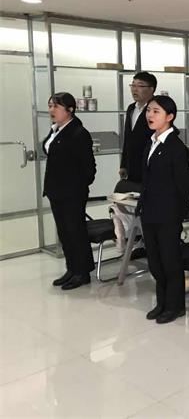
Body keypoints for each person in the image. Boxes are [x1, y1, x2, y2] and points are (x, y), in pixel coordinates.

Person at [137, 95, 189, 324]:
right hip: (150, 211)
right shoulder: (151, 142)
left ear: (169, 117)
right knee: (155, 261)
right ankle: (162, 302)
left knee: (170, 262)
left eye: (156, 111)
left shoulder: (176, 148)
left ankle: (175, 306)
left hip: (168, 214)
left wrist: (177, 215)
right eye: (149, 110)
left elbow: (184, 185)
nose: (150, 115)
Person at [44, 92, 97, 290]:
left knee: (75, 231)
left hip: (72, 192)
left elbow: (89, 168)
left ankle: (82, 272)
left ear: (70, 110)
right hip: (56, 190)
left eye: (56, 106)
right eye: (50, 106)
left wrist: (76, 186)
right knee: (64, 232)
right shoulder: (56, 130)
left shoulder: (78, 133)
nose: (52, 110)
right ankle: (71, 268)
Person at [120, 71, 156, 183]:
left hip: (150, 165)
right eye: (133, 85)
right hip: (132, 166)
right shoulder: (131, 108)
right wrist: (123, 164)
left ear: (151, 89)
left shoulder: (157, 109)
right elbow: (128, 138)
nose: (135, 89)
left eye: (140, 86)